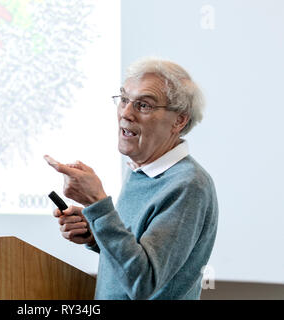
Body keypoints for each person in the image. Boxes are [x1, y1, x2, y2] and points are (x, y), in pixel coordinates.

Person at [44, 57, 218, 300]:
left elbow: (143, 282)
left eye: (144, 105)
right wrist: (96, 234)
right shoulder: (142, 169)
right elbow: (136, 256)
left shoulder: (188, 185)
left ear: (179, 120)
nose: (126, 112)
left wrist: (98, 204)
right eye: (124, 99)